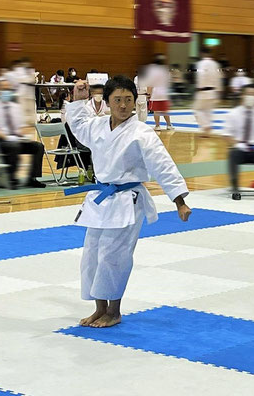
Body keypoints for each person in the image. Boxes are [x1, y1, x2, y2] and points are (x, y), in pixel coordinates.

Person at [65, 76, 191, 328]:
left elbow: (162, 164)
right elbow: (77, 124)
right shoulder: (98, 126)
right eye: (118, 100)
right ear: (108, 102)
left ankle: (114, 311)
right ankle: (99, 308)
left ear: (136, 102)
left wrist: (179, 200)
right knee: (92, 255)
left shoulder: (141, 132)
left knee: (115, 256)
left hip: (127, 201)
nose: (123, 105)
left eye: (129, 100)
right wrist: (79, 100)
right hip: (100, 200)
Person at [0, 80, 45, 189]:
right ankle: (11, 178)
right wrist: (8, 137)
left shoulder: (15, 107)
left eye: (9, 89)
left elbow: (21, 126)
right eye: (4, 89)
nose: (7, 92)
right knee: (14, 146)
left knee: (38, 146)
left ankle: (32, 178)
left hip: (16, 138)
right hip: (0, 140)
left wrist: (24, 135)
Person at [194, 48, 222, 136]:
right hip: (213, 91)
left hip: (203, 91)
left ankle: (206, 126)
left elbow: (201, 76)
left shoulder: (201, 63)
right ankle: (206, 132)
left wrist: (199, 87)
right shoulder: (215, 64)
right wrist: (219, 91)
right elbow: (219, 78)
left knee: (197, 110)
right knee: (208, 111)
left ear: (202, 53)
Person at [146, 54, 173, 131]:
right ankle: (169, 125)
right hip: (164, 92)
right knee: (165, 110)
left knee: (156, 111)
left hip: (156, 93)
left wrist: (148, 94)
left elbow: (150, 83)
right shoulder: (165, 70)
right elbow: (168, 81)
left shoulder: (152, 69)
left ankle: (157, 126)